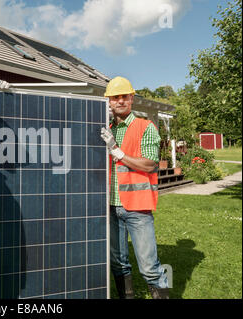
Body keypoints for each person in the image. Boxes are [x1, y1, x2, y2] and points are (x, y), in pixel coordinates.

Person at [100, 76, 169, 299]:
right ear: (108, 102)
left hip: (137, 209)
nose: (120, 101)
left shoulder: (145, 127)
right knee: (118, 264)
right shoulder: (105, 130)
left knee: (149, 267)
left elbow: (150, 164)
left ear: (131, 99)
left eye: (124, 97)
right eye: (115, 98)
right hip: (110, 207)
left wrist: (118, 153)